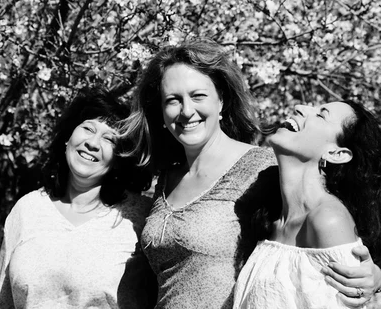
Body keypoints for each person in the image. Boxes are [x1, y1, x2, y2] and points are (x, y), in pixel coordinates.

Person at [122, 38, 381, 309]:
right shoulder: (165, 178)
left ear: (221, 100)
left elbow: (345, 214)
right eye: (173, 100)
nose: (187, 111)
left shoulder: (263, 169)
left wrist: (375, 275)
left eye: (198, 96)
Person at [0, 86, 155, 309]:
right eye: (88, 129)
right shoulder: (28, 209)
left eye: (109, 139)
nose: (93, 143)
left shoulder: (140, 218)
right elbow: (1, 300)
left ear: (119, 159)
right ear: (68, 137)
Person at [233, 101, 381, 308]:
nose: (300, 108)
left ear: (336, 154)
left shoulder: (328, 220)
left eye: (321, 115)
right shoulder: (271, 220)